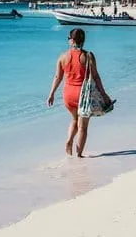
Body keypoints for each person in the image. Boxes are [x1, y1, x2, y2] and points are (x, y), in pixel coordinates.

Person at [47, 28, 111, 158]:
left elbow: (57, 77)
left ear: (72, 40)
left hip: (68, 95)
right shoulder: (88, 56)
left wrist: (51, 94)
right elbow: (96, 77)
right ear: (83, 40)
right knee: (83, 127)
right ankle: (79, 155)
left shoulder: (63, 57)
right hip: (82, 95)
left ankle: (69, 140)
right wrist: (104, 95)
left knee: (74, 119)